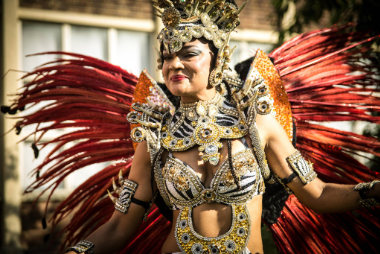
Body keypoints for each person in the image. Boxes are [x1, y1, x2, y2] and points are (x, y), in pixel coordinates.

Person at [3, 0, 380, 253]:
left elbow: (317, 193)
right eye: (166, 57)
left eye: (189, 54)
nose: (174, 65)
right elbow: (120, 227)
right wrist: (77, 252)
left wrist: (372, 190)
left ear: (217, 60)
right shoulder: (153, 137)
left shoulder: (257, 122)